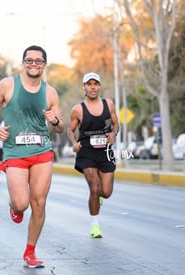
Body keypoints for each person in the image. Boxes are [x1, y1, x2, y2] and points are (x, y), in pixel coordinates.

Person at [0, 45, 64, 268]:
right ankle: (14, 206)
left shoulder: (50, 92)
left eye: (38, 61)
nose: (34, 64)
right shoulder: (8, 85)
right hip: (15, 151)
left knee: (39, 202)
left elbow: (60, 127)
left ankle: (30, 252)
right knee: (21, 204)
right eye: (30, 60)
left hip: (41, 151)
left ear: (44, 65)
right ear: (23, 63)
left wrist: (55, 121)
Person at [67, 72, 119, 239]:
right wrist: (74, 143)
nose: (92, 87)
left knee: (106, 192)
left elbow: (116, 124)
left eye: (95, 84)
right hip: (87, 152)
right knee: (95, 187)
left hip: (105, 151)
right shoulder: (78, 109)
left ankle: (98, 198)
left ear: (99, 86)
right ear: (84, 87)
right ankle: (95, 226)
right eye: (89, 84)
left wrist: (114, 134)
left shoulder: (109, 104)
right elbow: (70, 130)